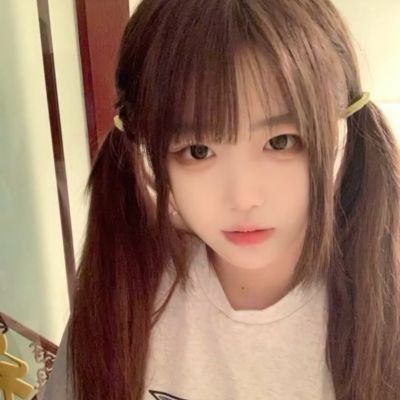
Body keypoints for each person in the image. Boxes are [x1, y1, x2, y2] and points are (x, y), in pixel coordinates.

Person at [41, 0, 400, 399]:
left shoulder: (385, 304)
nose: (243, 198)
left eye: (281, 142)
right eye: (198, 151)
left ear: (345, 131)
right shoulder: (126, 297)